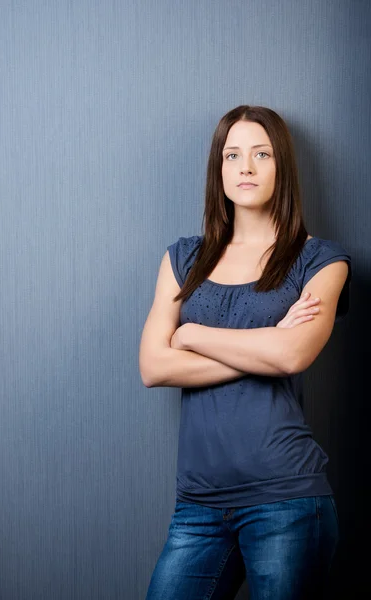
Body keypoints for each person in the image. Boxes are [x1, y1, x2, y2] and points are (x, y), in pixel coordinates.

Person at [139, 105, 351, 600]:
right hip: (197, 505)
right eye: (232, 155)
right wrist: (267, 340)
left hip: (286, 500)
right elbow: (153, 367)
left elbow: (291, 357)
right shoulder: (183, 258)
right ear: (219, 169)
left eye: (262, 154)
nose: (246, 167)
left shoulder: (322, 259)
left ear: (283, 167)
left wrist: (190, 335)